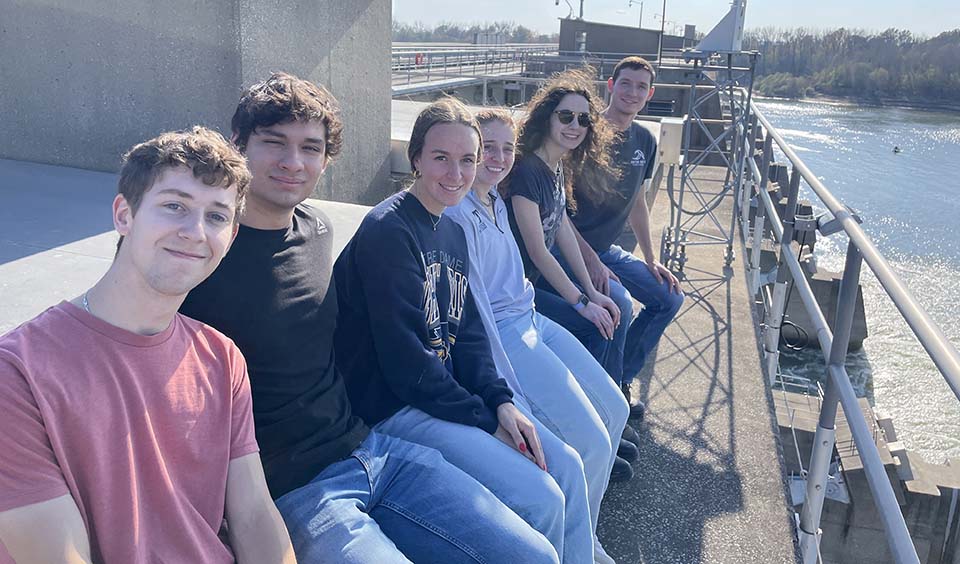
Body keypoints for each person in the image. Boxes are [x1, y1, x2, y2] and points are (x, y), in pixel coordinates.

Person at [180, 73, 557, 563]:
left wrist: (498, 401)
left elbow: (458, 331)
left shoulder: (315, 230)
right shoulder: (201, 254)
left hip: (368, 448)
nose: (294, 162)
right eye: (275, 143)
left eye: (310, 148)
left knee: (534, 554)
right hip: (290, 483)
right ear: (239, 146)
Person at [0, 128, 296, 563]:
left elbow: (253, 513)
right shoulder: (18, 371)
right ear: (124, 214)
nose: (196, 232)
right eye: (175, 206)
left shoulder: (221, 357)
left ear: (230, 238)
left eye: (216, 216)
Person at [334, 97, 596, 563]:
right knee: (542, 497)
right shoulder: (388, 232)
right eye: (441, 158)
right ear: (415, 158)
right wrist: (484, 418)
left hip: (446, 396)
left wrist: (502, 402)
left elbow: (470, 333)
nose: (456, 173)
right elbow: (406, 366)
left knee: (569, 467)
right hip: (398, 408)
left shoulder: (450, 230)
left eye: (467, 160)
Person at [446, 107, 628, 564]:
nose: (499, 157)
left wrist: (587, 293)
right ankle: (576, 551)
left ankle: (585, 533)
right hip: (506, 336)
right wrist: (506, 391)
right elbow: (477, 313)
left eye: (507, 148)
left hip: (531, 319)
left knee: (617, 408)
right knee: (590, 443)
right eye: (488, 148)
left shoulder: (497, 201)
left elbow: (557, 237)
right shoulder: (457, 215)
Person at [502, 68, 638, 480]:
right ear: (547, 117)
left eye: (583, 119)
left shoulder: (555, 168)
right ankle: (584, 434)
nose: (575, 126)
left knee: (613, 308)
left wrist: (591, 291)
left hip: (535, 285)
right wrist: (582, 303)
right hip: (514, 293)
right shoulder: (527, 172)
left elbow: (561, 228)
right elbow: (539, 251)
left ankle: (602, 424)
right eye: (566, 116)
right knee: (595, 327)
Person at [566, 56, 683, 415]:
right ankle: (608, 403)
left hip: (607, 250)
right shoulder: (584, 135)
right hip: (569, 248)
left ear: (650, 94)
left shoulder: (645, 140)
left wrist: (650, 258)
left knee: (668, 297)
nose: (633, 92)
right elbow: (555, 209)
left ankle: (620, 380)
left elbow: (638, 204)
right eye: (626, 84)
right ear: (611, 86)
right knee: (619, 303)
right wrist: (589, 260)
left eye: (641, 87)